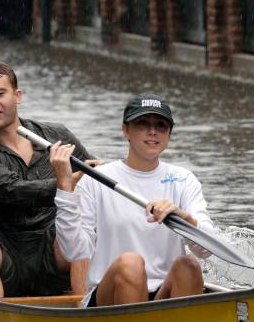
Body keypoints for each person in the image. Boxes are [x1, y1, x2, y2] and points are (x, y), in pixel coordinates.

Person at [50, 93, 213, 308]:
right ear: (125, 130)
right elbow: (74, 250)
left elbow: (207, 249)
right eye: (142, 123)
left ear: (169, 134)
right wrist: (65, 187)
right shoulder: (97, 180)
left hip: (161, 295)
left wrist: (184, 219)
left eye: (161, 125)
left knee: (189, 266)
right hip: (108, 299)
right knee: (131, 264)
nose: (153, 131)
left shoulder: (184, 180)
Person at [0, 61, 95, 298]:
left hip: (56, 250)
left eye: (0, 93)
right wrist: (65, 183)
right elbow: (13, 191)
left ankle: (86, 312)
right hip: (5, 254)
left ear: (17, 95)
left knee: (89, 214)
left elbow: (96, 176)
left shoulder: (57, 135)